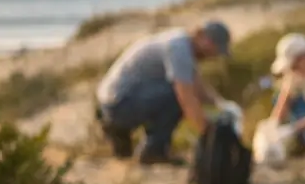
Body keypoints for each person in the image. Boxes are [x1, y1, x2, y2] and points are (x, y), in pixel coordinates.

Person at [96, 20, 232, 165]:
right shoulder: (179, 50)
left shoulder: (182, 43)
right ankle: (154, 151)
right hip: (119, 103)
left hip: (112, 100)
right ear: (202, 37)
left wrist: (222, 105)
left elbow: (197, 87)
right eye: (215, 49)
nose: (214, 55)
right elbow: (186, 100)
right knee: (174, 96)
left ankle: (119, 132)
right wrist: (210, 135)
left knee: (174, 91)